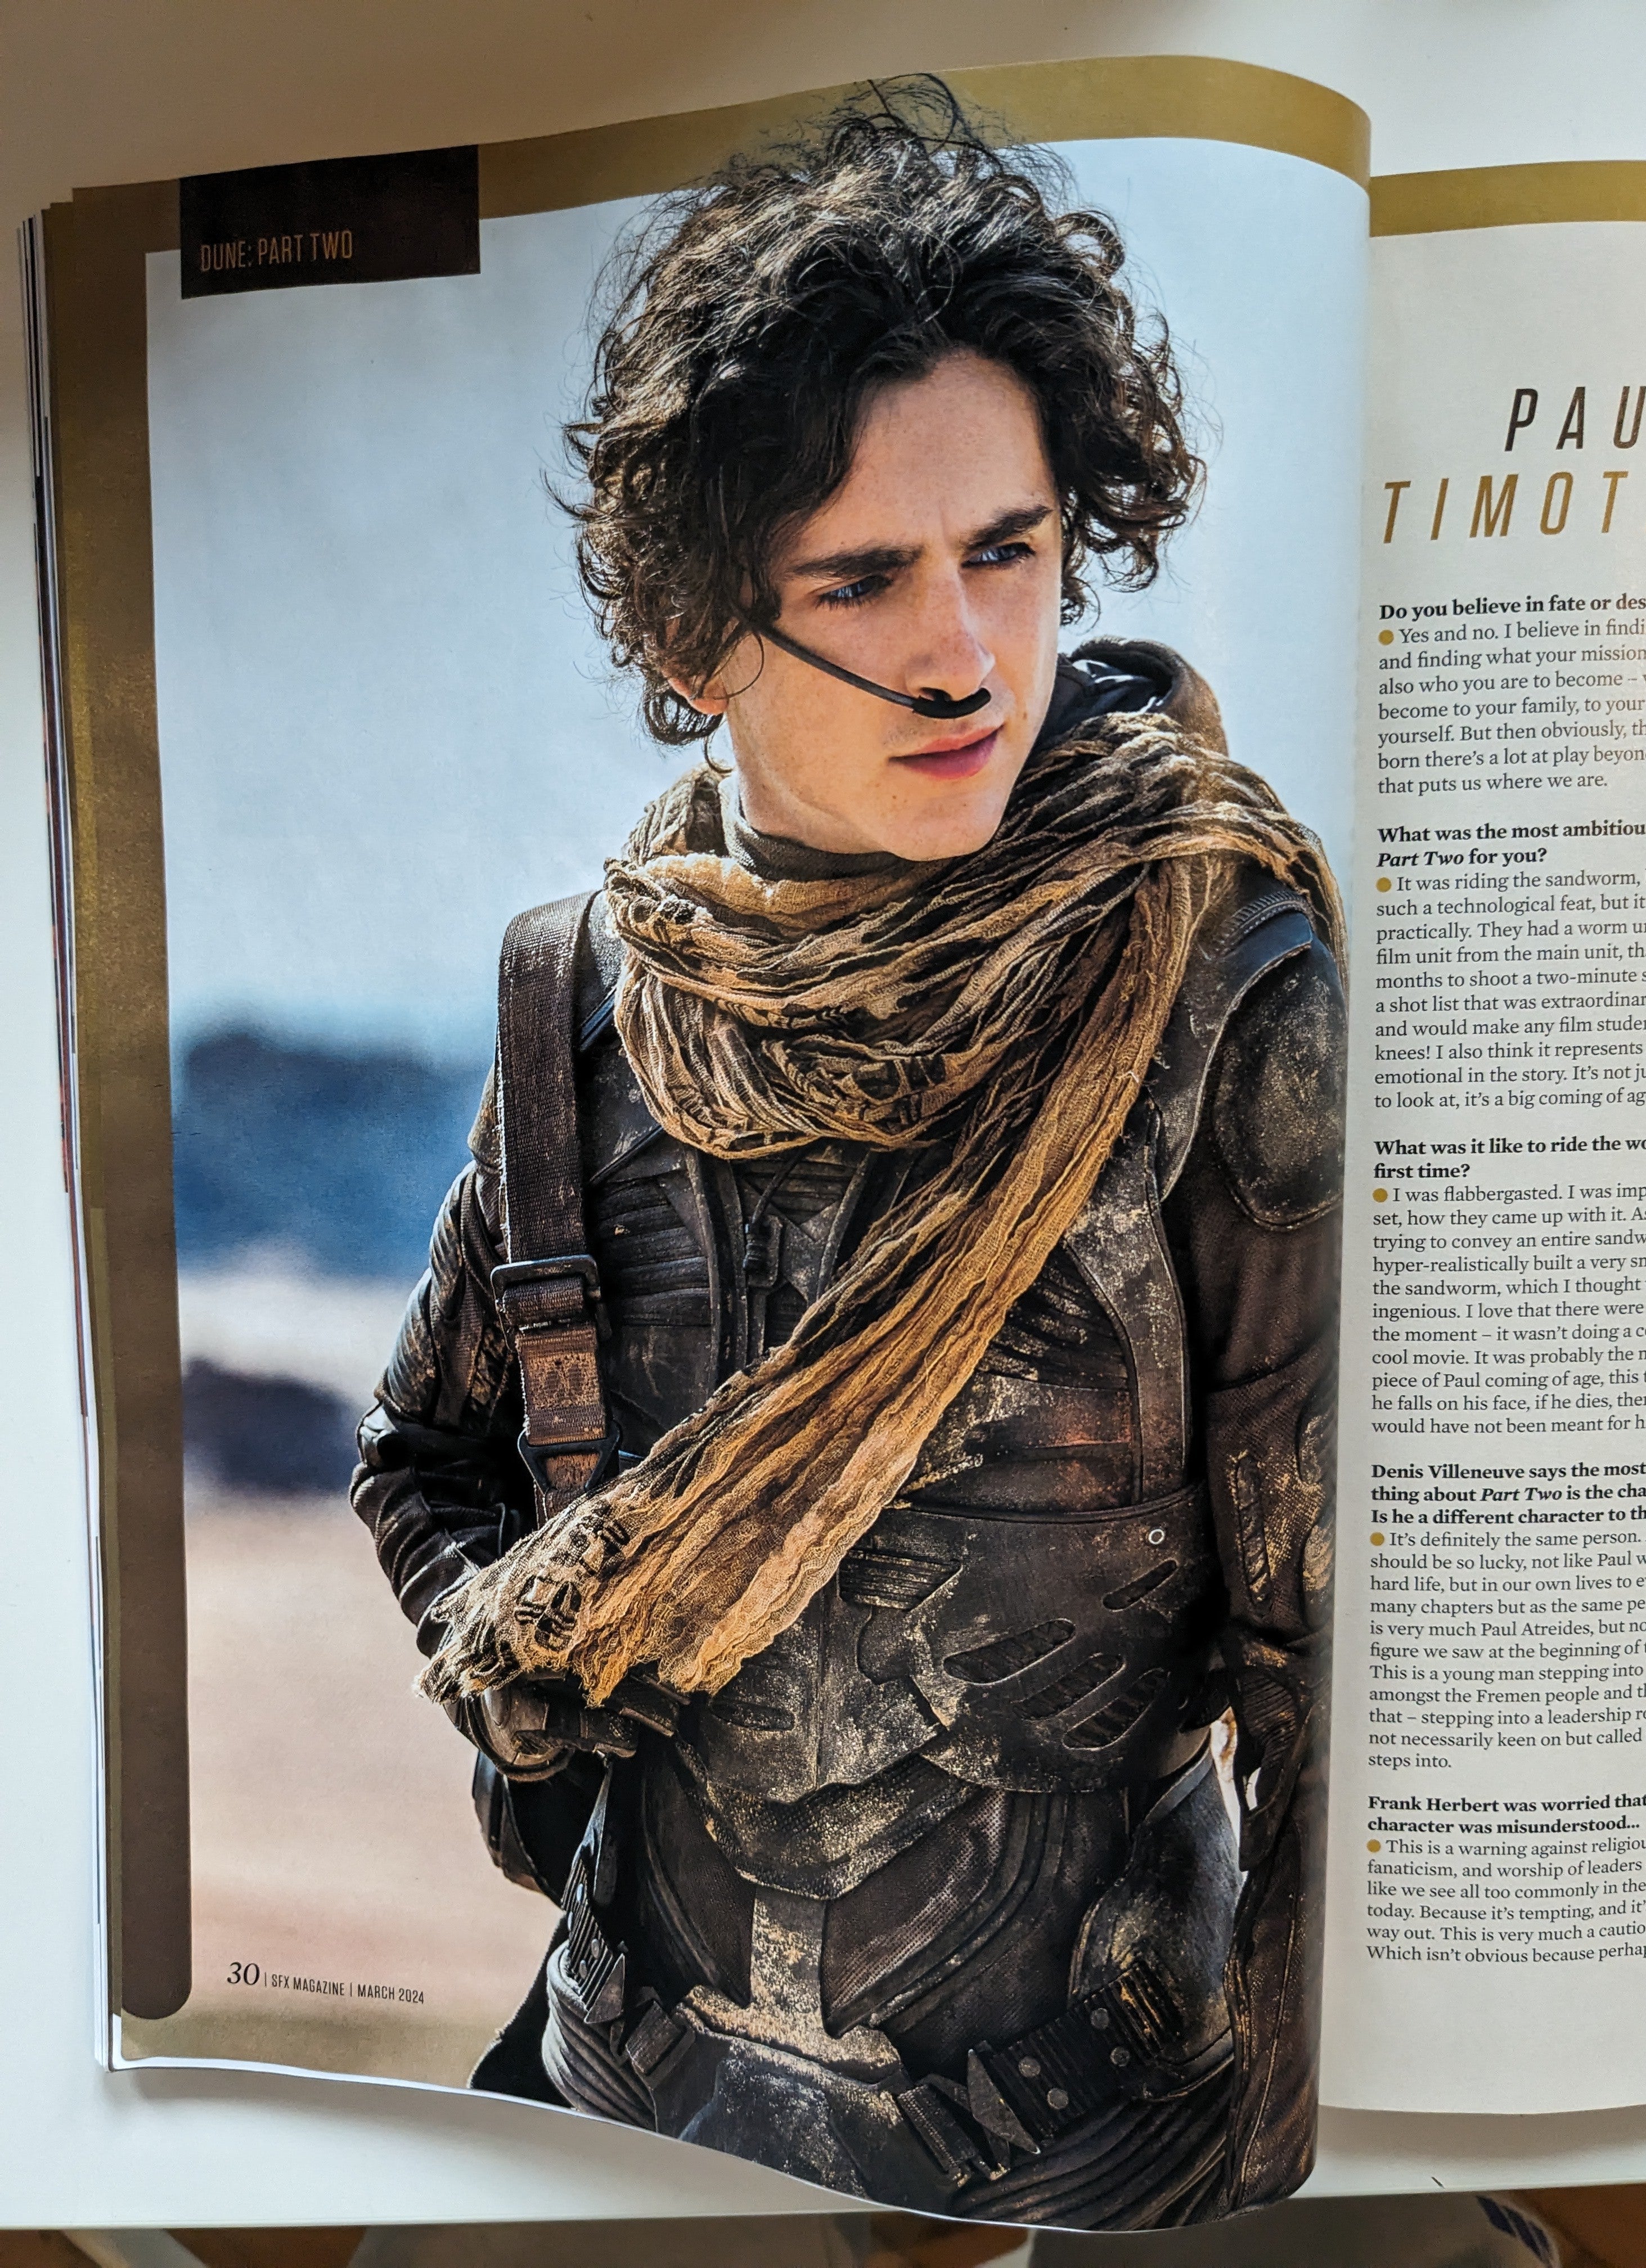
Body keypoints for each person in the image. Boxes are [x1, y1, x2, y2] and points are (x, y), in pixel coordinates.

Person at [353, 86, 1344, 2231]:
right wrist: (532, 1663)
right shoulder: (585, 1007)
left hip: (1100, 2168)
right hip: (622, 2108)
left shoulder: (1210, 982)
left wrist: (1281, 2194)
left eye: (1009, 548)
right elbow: (419, 1456)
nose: (966, 652)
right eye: (866, 577)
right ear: (696, 630)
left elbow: (1328, 1679)